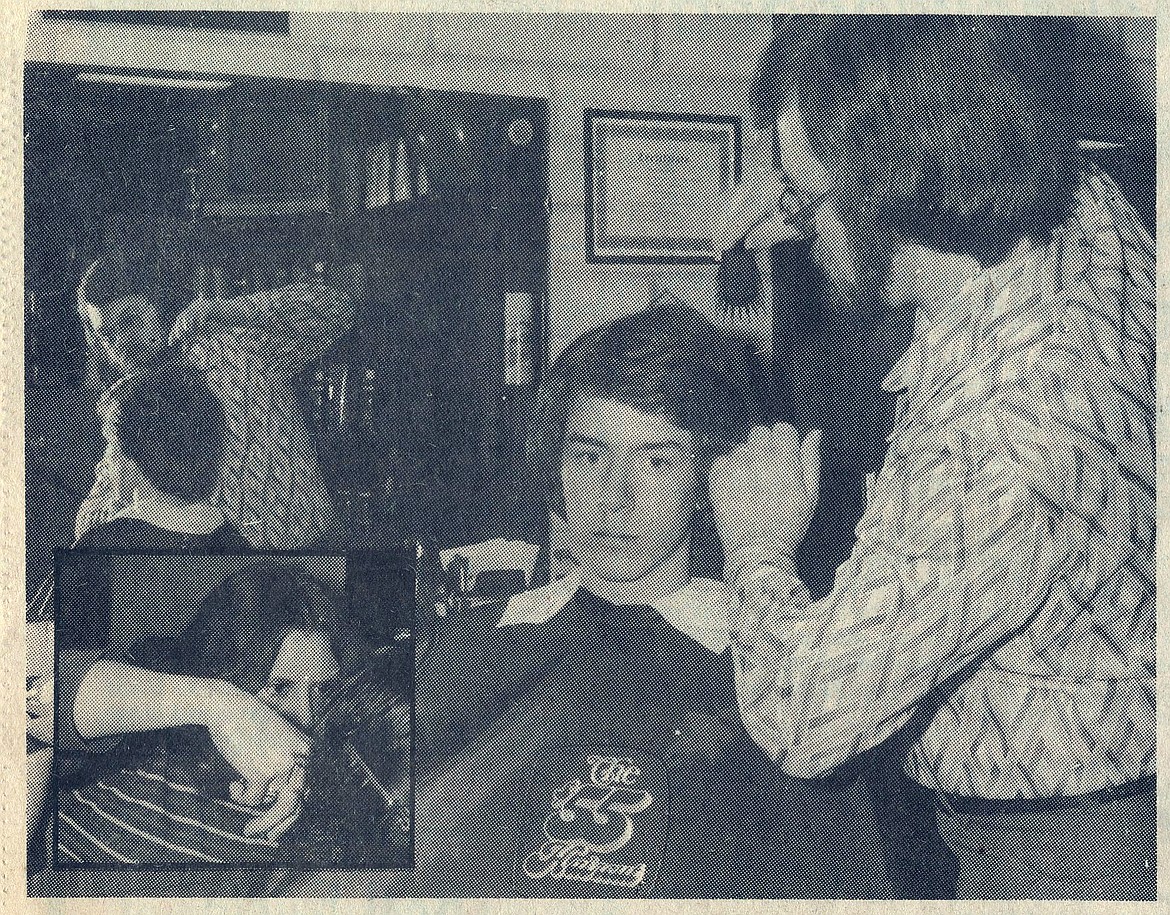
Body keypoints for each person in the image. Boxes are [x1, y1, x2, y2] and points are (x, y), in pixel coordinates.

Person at [710, 16, 1154, 900]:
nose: (781, 215)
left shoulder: (1002, 436)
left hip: (1058, 853)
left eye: (802, 193)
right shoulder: (1079, 211)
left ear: (896, 188)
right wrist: (791, 182)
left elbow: (806, 716)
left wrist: (757, 548)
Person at [362, 304, 894, 899]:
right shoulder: (483, 625)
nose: (612, 495)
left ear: (715, 481)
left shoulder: (767, 688)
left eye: (654, 463)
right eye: (590, 455)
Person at [75, 231, 356, 550]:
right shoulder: (133, 404)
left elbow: (336, 309)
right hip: (211, 564)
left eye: (130, 321)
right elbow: (92, 514)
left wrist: (228, 310)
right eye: (107, 336)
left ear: (160, 308)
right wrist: (119, 508)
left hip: (297, 552)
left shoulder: (235, 346)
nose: (121, 342)